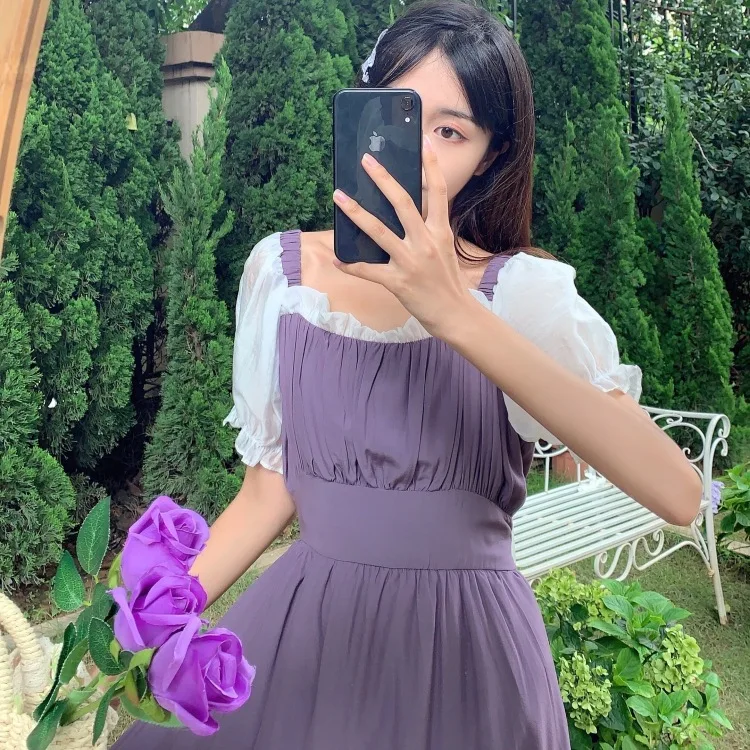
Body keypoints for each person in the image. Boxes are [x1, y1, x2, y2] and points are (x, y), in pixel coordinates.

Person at [113, 1, 701, 748]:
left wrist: (452, 310)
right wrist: (147, 622)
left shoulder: (524, 296)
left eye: (450, 132)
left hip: (468, 658)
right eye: (400, 117)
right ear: (359, 114)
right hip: (309, 636)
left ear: (488, 156)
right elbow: (270, 490)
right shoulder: (283, 276)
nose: (417, 156)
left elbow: (678, 493)